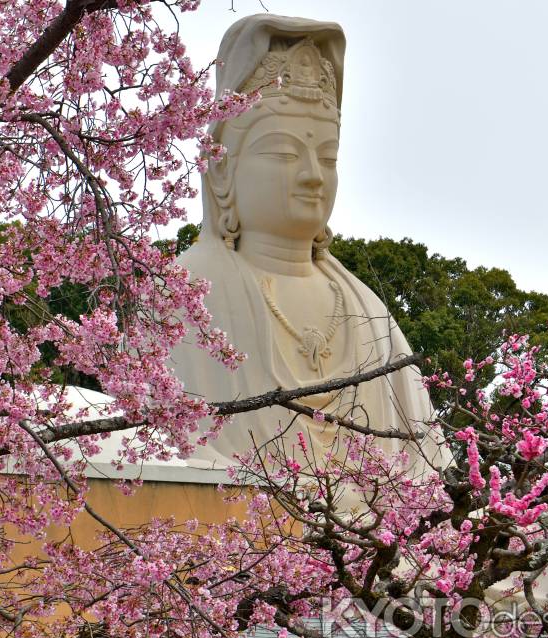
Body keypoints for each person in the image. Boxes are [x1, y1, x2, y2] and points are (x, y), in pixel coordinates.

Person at [170, 15, 445, 476]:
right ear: (221, 173)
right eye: (282, 153)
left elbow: (428, 472)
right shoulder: (185, 294)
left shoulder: (371, 314)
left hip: (377, 539)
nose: (313, 175)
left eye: (328, 156)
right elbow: (164, 454)